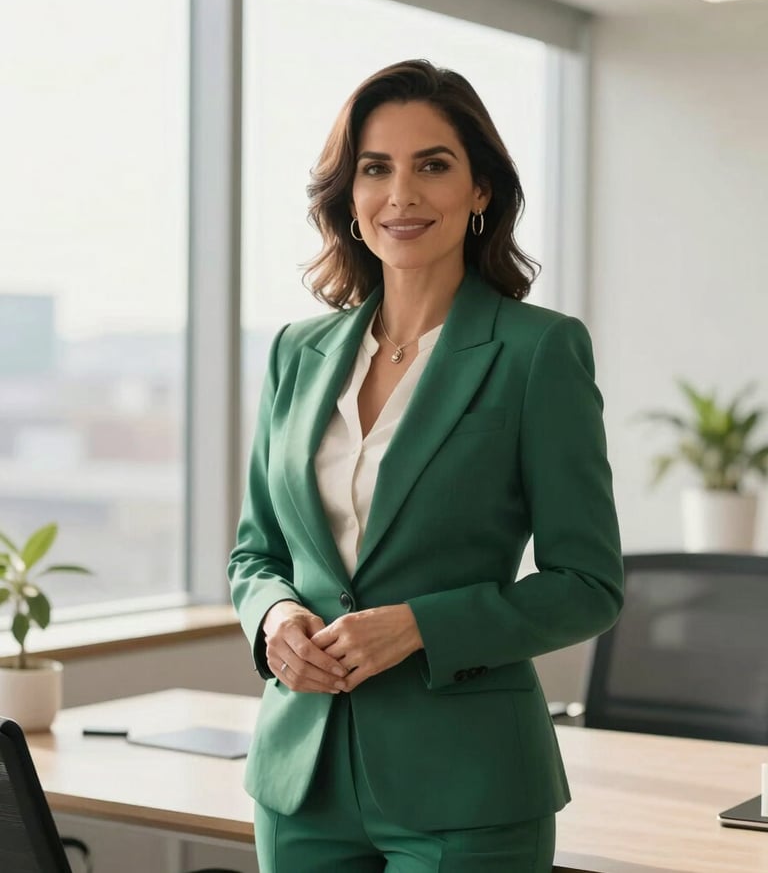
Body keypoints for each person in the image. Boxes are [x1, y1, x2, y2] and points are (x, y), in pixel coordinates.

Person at [228, 59, 623, 873]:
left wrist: (417, 626)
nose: (401, 195)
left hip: (468, 786)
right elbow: (256, 553)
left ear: (480, 191)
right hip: (300, 778)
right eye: (376, 168)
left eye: (432, 165)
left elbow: (588, 583)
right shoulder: (297, 354)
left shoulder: (538, 351)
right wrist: (273, 622)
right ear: (349, 194)